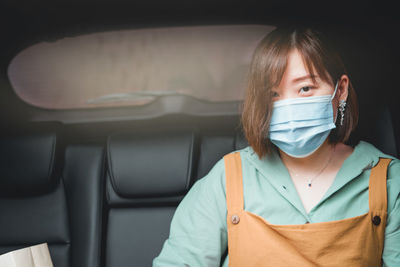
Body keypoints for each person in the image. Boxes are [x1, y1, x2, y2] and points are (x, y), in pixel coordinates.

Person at [153, 26, 400, 266]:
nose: (289, 106)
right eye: (273, 94)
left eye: (305, 88)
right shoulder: (227, 180)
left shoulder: (389, 181)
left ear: (341, 90)